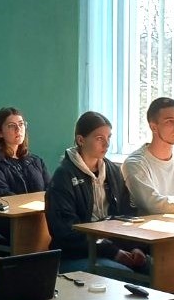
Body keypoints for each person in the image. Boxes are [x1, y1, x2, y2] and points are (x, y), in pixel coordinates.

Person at [45, 111, 141, 273]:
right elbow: (66, 232)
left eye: (109, 137)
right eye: (99, 138)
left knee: (155, 269)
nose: (106, 144)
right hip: (76, 254)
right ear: (81, 140)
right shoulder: (64, 176)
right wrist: (112, 251)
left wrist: (135, 246)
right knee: (124, 274)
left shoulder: (112, 170)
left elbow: (128, 213)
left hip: (112, 248)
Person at [121, 97, 174, 214]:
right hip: (151, 225)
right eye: (170, 121)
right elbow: (153, 205)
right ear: (153, 127)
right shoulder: (135, 163)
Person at [0, 107, 51, 243]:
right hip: (8, 224)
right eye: (12, 126)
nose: (18, 129)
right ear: (0, 132)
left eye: (21, 124)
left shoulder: (36, 161)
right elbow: (1, 194)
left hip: (38, 221)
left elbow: (51, 191)